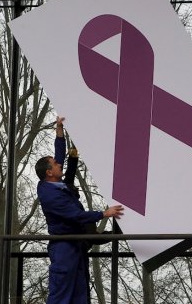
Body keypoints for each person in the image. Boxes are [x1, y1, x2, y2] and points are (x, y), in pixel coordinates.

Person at [36, 117, 124, 304]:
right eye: (56, 164)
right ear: (49, 172)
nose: (60, 164)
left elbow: (59, 155)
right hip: (64, 247)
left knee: (80, 295)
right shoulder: (52, 196)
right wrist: (103, 213)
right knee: (61, 296)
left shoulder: (54, 183)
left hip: (77, 246)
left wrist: (59, 131)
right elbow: (75, 215)